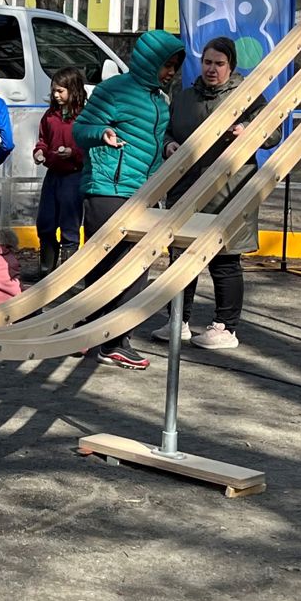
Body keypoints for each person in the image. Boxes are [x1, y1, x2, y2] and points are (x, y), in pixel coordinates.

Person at [154, 37, 281, 350]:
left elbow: (273, 132)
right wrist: (169, 144)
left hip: (230, 190)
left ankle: (225, 326)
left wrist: (247, 130)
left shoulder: (249, 97)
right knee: (181, 256)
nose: (212, 69)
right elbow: (169, 131)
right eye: (208, 62)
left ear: (231, 66)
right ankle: (178, 319)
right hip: (186, 190)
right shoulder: (184, 97)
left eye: (219, 64)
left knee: (224, 260)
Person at [72, 30, 185, 370]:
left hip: (143, 191)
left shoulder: (159, 99)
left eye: (175, 68)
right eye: (167, 66)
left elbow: (156, 135)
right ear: (149, 62)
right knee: (119, 267)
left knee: (129, 266)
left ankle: (93, 333)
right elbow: (80, 130)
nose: (170, 73)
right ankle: (112, 340)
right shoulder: (114, 91)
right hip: (108, 189)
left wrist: (167, 147)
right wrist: (101, 134)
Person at [32, 67, 87, 281]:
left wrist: (73, 153)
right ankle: (46, 271)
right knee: (45, 223)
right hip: (53, 174)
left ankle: (67, 276)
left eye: (61, 91)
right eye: (54, 91)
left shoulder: (84, 117)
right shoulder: (50, 116)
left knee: (70, 228)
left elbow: (89, 147)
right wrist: (39, 151)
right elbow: (43, 139)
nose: (56, 95)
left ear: (74, 91)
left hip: (74, 175)